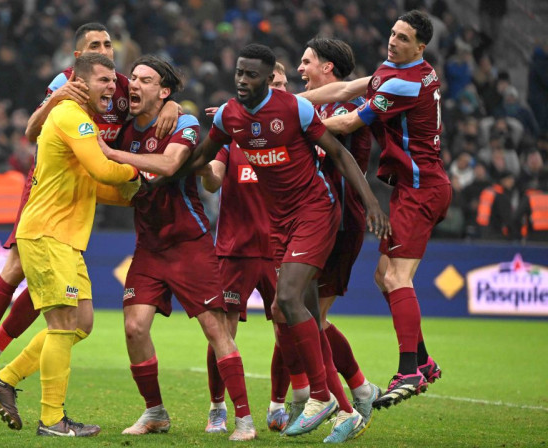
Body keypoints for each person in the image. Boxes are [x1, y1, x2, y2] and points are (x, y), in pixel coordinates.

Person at [0, 22, 180, 391]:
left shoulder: (121, 86)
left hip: (86, 183)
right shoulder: (65, 84)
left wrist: (170, 103)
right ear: (78, 58)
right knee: (16, 270)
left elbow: (153, 95)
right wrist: (56, 101)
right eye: (96, 44)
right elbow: (30, 133)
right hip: (54, 181)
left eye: (108, 43)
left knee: (49, 286)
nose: (106, 49)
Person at [183, 43, 388, 443]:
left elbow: (340, 156)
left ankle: (319, 396)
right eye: (239, 73)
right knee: (300, 310)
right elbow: (201, 157)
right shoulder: (229, 116)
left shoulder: (294, 109)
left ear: (273, 83)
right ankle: (348, 406)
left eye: (252, 75)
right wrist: (164, 168)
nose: (243, 80)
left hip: (315, 209)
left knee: (289, 302)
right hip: (279, 224)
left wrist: (371, 200)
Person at [0, 53, 141, 437]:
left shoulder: (80, 121)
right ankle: (52, 420)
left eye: (111, 81)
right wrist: (142, 167)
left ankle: (4, 378)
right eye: (103, 80)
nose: (111, 88)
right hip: (47, 235)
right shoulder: (71, 115)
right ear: (81, 83)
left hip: (65, 239)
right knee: (62, 323)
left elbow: (96, 185)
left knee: (81, 323)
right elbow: (104, 169)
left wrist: (135, 190)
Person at [99, 55, 256, 441]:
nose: (133, 84)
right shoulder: (121, 124)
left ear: (163, 91)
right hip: (149, 246)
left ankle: (244, 420)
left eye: (145, 80)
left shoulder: (183, 122)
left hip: (190, 243)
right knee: (134, 327)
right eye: (132, 78)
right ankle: (155, 413)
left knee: (215, 329)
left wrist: (115, 155)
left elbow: (169, 167)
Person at [306, 10, 450, 409]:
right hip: (410, 187)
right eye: (393, 33)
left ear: (420, 47)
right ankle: (423, 359)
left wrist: (294, 120)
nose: (393, 41)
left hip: (422, 188)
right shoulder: (401, 70)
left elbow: (350, 121)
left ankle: (408, 369)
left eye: (404, 38)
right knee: (383, 275)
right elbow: (341, 91)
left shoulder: (405, 83)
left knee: (399, 277)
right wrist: (284, 102)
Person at [197, 61, 298, 435]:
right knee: (221, 332)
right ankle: (217, 408)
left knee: (287, 330)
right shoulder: (234, 132)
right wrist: (203, 166)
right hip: (235, 249)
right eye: (276, 83)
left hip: (282, 249)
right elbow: (213, 181)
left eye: (287, 84)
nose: (282, 89)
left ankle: (276, 406)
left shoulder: (295, 135)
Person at [296, 37, 381, 425]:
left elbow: (336, 129)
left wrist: (286, 126)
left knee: (309, 317)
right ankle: (356, 391)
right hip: (315, 219)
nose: (301, 69)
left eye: (306, 62)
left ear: (327, 68)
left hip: (342, 218)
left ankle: (340, 403)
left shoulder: (346, 107)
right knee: (307, 315)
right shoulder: (319, 103)